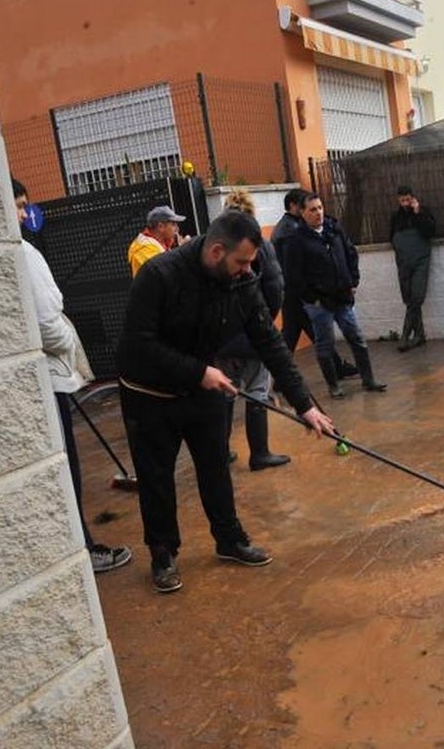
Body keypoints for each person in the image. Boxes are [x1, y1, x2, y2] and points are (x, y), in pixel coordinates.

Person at [116, 209, 334, 593]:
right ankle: (163, 552)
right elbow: (139, 344)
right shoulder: (159, 275)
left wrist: (306, 405)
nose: (248, 271)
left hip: (202, 388)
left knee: (215, 467)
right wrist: (199, 372)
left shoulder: (241, 282)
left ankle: (229, 539)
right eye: (242, 262)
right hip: (150, 395)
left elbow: (270, 343)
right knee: (156, 478)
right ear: (217, 251)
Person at [13, 178, 132, 573]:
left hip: (41, 378)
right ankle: (82, 548)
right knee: (66, 467)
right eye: (18, 205)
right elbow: (48, 319)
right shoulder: (23, 254)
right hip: (48, 377)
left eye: (26, 206)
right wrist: (69, 344)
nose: (23, 214)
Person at [281, 193, 387, 398]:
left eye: (320, 207)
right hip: (319, 303)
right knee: (325, 344)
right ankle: (334, 386)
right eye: (312, 209)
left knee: (357, 339)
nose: (318, 213)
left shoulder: (334, 230)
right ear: (302, 213)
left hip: (343, 297)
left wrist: (353, 281)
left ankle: (368, 379)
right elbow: (293, 275)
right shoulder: (296, 240)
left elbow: (350, 254)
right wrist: (313, 298)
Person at [214, 189, 291, 471]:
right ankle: (259, 453)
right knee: (258, 389)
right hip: (252, 335)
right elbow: (275, 286)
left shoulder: (217, 244)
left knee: (224, 393)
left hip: (223, 339)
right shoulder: (260, 244)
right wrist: (265, 320)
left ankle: (219, 454)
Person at [271, 188, 358, 380]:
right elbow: (293, 265)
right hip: (297, 292)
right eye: (305, 206)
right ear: (294, 206)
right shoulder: (290, 231)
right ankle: (335, 368)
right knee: (315, 333)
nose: (311, 210)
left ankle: (282, 376)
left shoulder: (288, 226)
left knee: (292, 335)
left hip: (291, 291)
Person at [389, 185, 437, 352]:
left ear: (413, 198)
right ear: (398, 200)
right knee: (409, 299)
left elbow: (431, 231)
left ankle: (405, 336)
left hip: (421, 261)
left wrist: (418, 214)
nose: (405, 203)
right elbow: (392, 239)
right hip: (403, 263)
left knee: (417, 297)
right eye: (402, 200)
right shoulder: (396, 217)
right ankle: (419, 335)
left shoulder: (423, 212)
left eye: (407, 200)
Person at [128, 205, 186, 277]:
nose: (177, 229)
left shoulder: (161, 244)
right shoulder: (144, 248)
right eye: (173, 224)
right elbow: (165, 274)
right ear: (161, 226)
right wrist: (183, 251)